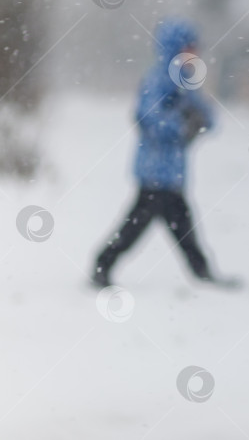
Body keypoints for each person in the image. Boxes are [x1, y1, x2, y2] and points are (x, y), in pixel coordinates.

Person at [91, 18, 238, 289]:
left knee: (180, 225)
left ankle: (201, 271)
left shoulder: (185, 81)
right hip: (154, 170)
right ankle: (102, 264)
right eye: (190, 47)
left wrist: (198, 123)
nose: (196, 53)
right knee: (140, 225)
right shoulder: (158, 79)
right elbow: (147, 118)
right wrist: (181, 126)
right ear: (176, 48)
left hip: (173, 172)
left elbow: (207, 116)